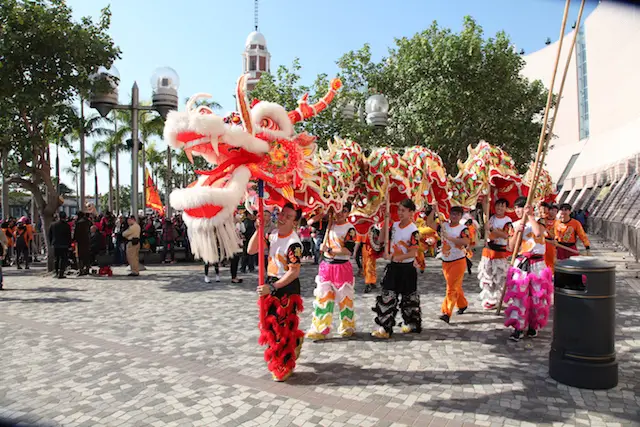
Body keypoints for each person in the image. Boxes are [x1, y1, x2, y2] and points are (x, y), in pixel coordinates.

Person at [248, 203, 304, 382]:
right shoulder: (271, 235)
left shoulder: (294, 243)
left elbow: (294, 271)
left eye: (288, 217)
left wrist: (273, 287)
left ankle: (284, 365)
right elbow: (251, 250)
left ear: (295, 222)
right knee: (270, 327)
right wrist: (258, 229)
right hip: (271, 283)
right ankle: (294, 343)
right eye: (281, 214)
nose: (282, 218)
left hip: (286, 287)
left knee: (283, 329)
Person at [504, 197, 553, 342]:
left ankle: (533, 325)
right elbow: (511, 247)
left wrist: (530, 216)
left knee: (537, 296)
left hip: (538, 263)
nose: (519, 211)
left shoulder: (539, 220)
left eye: (521, 207)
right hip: (521, 263)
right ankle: (518, 327)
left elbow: (538, 233)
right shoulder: (514, 225)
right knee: (519, 295)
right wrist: (518, 232)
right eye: (517, 208)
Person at [372, 198, 422, 338]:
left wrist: (395, 258)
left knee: (409, 298)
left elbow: (413, 252)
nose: (400, 213)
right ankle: (385, 326)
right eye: (399, 210)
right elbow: (381, 240)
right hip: (393, 267)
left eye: (403, 210)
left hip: (407, 268)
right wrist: (385, 222)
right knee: (387, 296)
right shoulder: (394, 225)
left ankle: (411, 323)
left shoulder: (414, 231)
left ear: (411, 212)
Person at [306, 203, 357, 340]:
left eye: (344, 211)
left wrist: (328, 250)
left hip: (342, 267)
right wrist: (324, 213)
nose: (340, 213)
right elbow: (309, 222)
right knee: (323, 297)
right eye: (338, 210)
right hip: (326, 266)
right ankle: (320, 327)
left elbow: (347, 250)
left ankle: (347, 325)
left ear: (348, 213)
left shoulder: (350, 229)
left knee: (345, 298)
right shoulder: (328, 223)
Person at [434, 206, 470, 324]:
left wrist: (451, 238)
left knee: (451, 287)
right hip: (446, 261)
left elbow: (465, 242)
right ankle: (462, 304)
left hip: (458, 261)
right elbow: (430, 223)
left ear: (460, 216)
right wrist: (434, 209)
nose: (454, 216)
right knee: (455, 285)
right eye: (452, 214)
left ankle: (446, 312)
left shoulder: (462, 229)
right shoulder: (444, 226)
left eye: (457, 214)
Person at [477, 199, 513, 310]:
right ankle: (489, 299)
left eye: (502, 206)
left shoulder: (508, 220)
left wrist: (494, 231)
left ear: (506, 208)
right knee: (487, 275)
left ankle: (501, 298)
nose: (500, 208)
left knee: (500, 276)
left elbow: (506, 235)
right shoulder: (490, 218)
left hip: (500, 252)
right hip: (488, 250)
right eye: (498, 205)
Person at [49, 211, 72, 279]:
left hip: (56, 244)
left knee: (56, 258)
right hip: (64, 244)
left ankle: (56, 272)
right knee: (63, 259)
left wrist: (51, 243)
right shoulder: (67, 225)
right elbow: (69, 236)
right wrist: (69, 245)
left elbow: (50, 235)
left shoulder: (53, 225)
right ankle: (61, 273)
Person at [539, 202, 557, 272]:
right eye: (552, 210)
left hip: (551, 243)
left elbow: (554, 235)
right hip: (542, 241)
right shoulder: (542, 220)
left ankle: (550, 274)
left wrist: (546, 230)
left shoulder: (557, 222)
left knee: (550, 259)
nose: (553, 212)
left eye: (555, 211)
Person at [74, 211, 92, 275]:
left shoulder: (78, 223)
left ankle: (81, 270)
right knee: (87, 255)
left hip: (80, 241)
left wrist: (74, 239)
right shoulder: (88, 221)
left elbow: (76, 233)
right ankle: (87, 269)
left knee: (80, 256)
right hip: (87, 241)